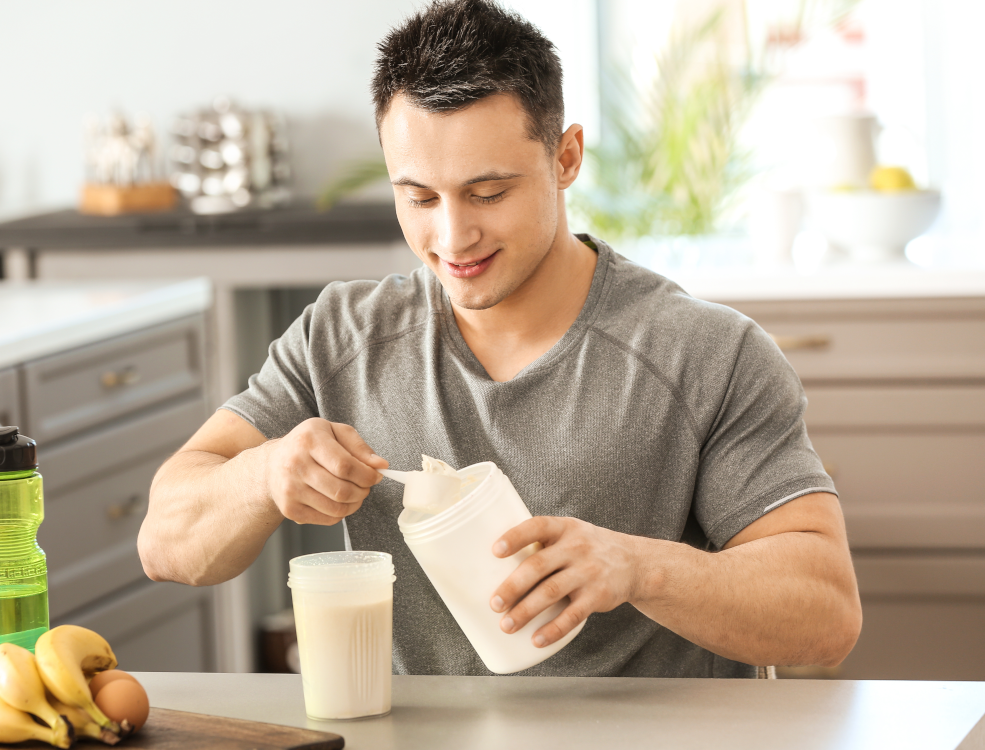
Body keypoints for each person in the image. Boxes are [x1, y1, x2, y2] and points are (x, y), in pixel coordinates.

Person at [138, 0, 861, 678]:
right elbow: (166, 543)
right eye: (418, 197)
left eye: (488, 193)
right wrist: (263, 475)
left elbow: (827, 615)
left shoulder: (706, 354)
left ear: (566, 157)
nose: (452, 238)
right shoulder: (342, 337)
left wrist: (640, 568)